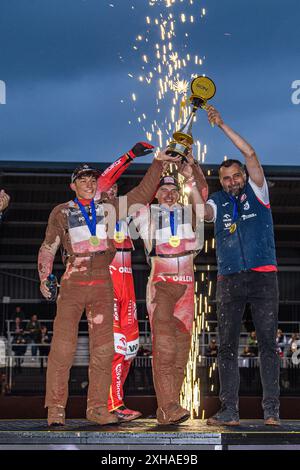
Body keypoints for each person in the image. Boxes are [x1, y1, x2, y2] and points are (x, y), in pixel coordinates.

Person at [38, 143, 177, 426]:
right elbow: (48, 247)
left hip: (103, 279)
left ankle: (99, 409)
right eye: (83, 180)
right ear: (72, 185)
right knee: (62, 348)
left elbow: (140, 195)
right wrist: (44, 277)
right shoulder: (61, 212)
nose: (89, 184)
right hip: (73, 279)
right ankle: (55, 409)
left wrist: (158, 163)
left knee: (104, 349)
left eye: (92, 180)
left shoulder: (110, 208)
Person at [201, 106, 280, 426]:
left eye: (236, 175)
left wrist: (221, 125)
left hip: (263, 277)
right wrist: (189, 169)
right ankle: (229, 411)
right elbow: (200, 213)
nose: (232, 180)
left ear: (245, 177)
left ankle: (272, 411)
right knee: (227, 347)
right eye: (225, 178)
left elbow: (250, 152)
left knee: (267, 345)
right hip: (229, 279)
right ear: (220, 182)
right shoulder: (217, 203)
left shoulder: (258, 192)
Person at [134, 152, 208, 424]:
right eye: (162, 189)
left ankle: (169, 407)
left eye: (172, 189)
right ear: (155, 193)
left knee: (180, 351)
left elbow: (202, 193)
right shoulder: (144, 212)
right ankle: (167, 406)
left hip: (188, 284)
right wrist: (158, 163)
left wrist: (192, 168)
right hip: (161, 284)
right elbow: (138, 194)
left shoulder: (190, 212)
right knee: (164, 347)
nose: (168, 194)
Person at [105, 183, 141, 422]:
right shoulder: (95, 215)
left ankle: (116, 401)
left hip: (128, 289)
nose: (111, 191)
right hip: (108, 289)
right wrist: (129, 156)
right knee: (116, 351)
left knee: (130, 350)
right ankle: (112, 405)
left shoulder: (127, 214)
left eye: (115, 188)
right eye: (106, 188)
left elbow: (146, 196)